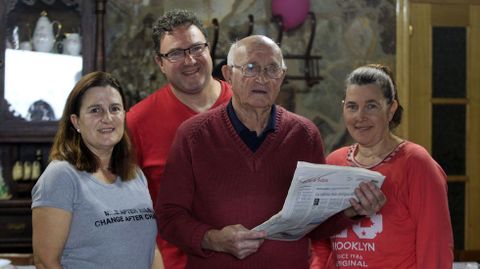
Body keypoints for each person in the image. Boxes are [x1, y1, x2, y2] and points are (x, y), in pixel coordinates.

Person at [155, 35, 386, 269]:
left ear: (282, 77)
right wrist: (213, 239)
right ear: (228, 75)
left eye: (272, 69)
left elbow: (317, 224)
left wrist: (352, 211)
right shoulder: (193, 136)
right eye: (251, 68)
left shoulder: (304, 135)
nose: (262, 79)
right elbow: (168, 217)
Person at [310, 64, 454, 268]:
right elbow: (321, 239)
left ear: (391, 109)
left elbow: (435, 248)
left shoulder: (417, 164)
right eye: (352, 106)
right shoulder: (335, 162)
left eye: (371, 106)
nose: (360, 117)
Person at [126, 9, 232, 269]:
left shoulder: (245, 106)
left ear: (209, 50)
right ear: (159, 63)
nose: (190, 60)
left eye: (196, 48)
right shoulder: (137, 121)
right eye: (175, 53)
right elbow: (128, 211)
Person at [31, 71, 164, 269]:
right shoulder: (61, 176)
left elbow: (150, 250)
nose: (107, 118)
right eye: (95, 110)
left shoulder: (135, 175)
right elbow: (46, 262)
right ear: (76, 122)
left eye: (115, 108)